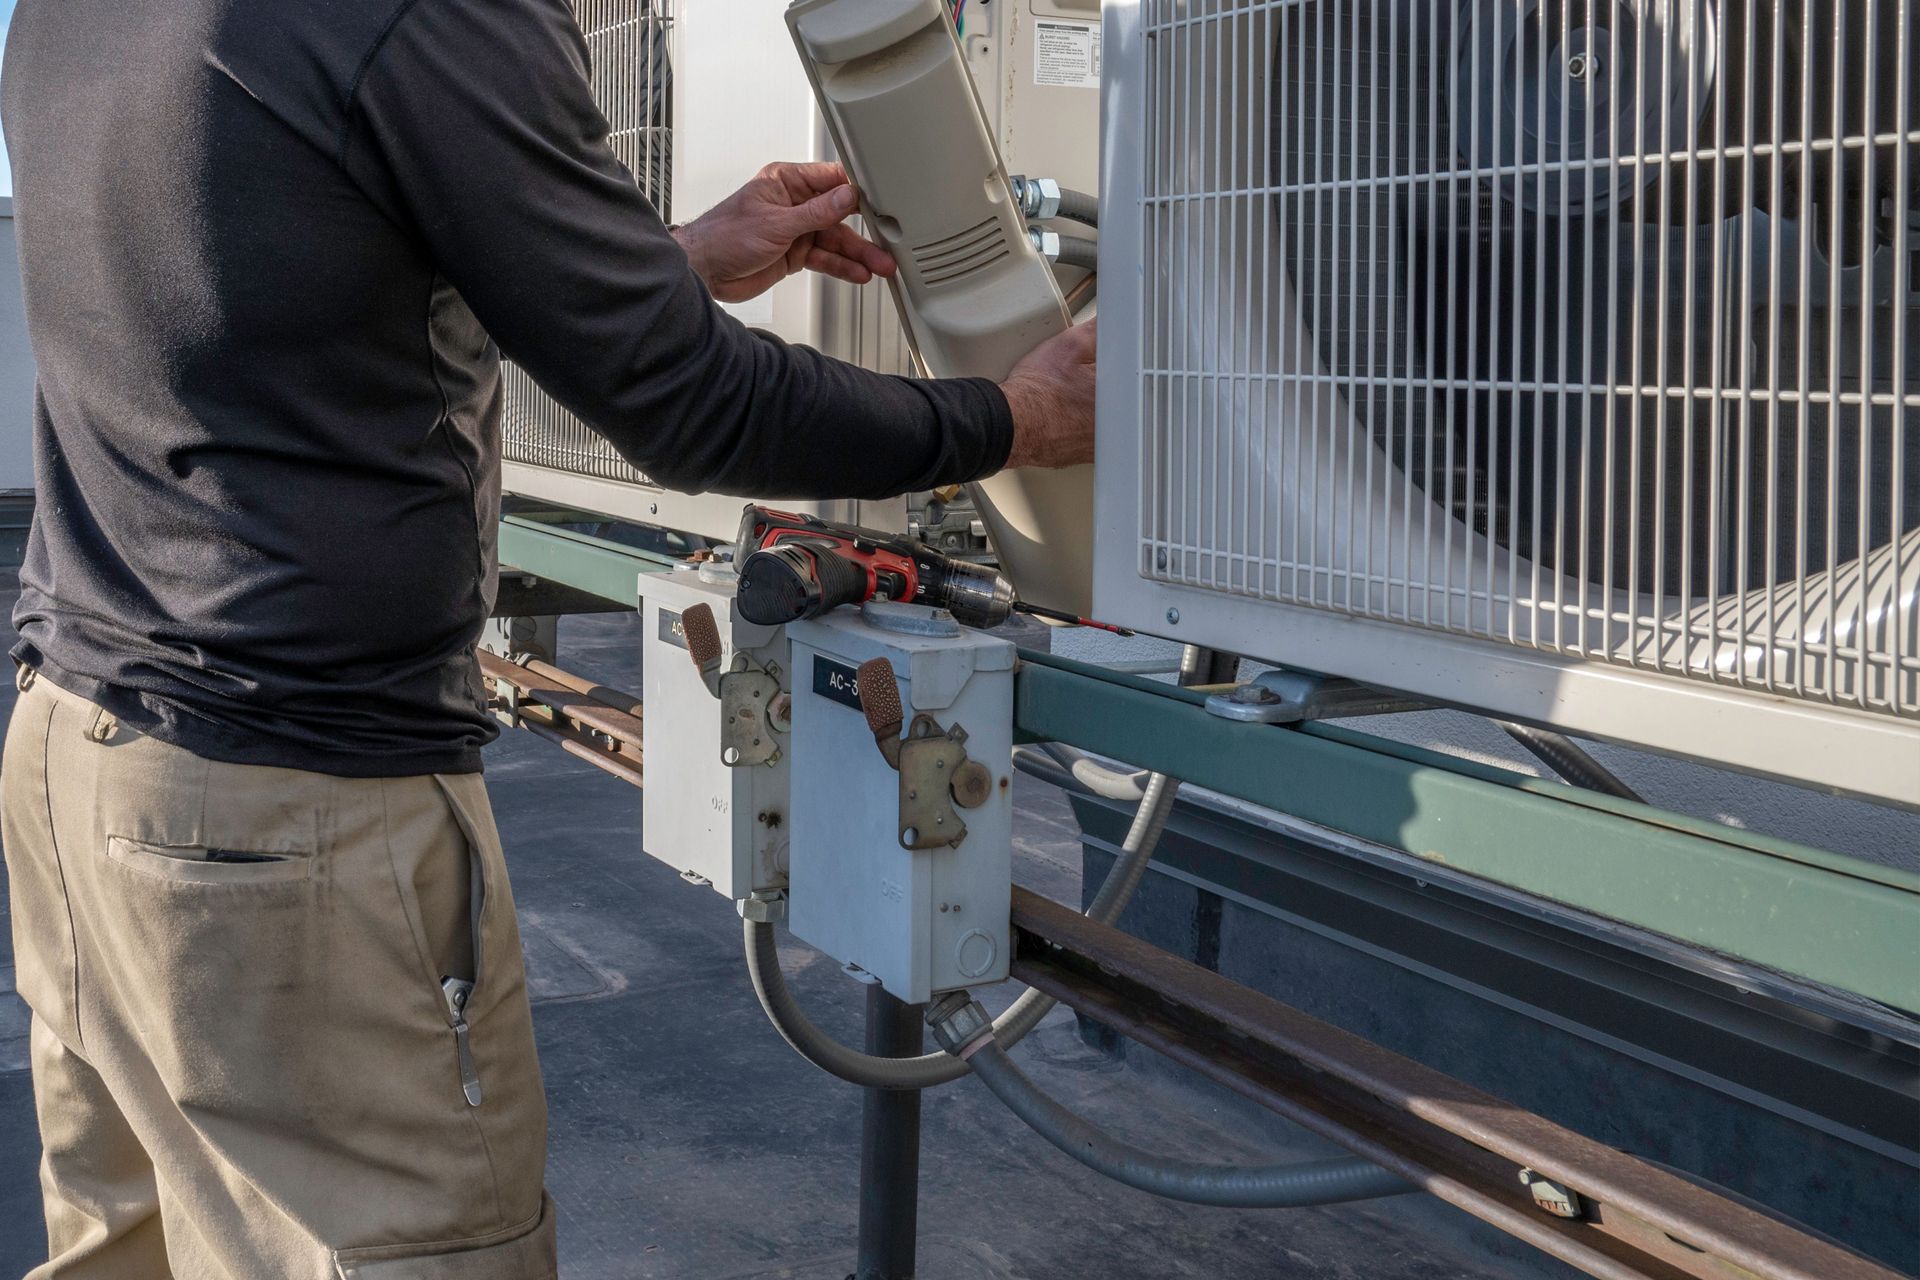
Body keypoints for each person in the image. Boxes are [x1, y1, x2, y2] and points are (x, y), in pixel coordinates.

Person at [0, 0, 1096, 1274]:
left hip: (74, 760)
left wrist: (660, 262)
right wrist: (1012, 417)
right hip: (283, 828)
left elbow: (286, 268)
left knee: (124, 1249)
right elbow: (689, 403)